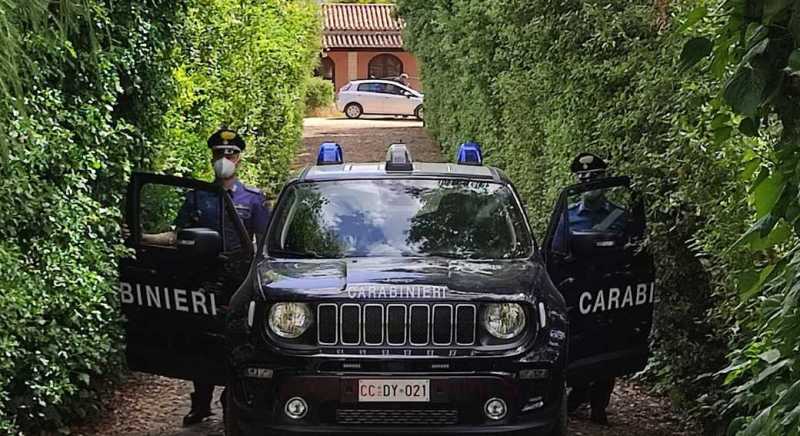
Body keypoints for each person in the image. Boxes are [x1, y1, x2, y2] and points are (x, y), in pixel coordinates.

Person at [178, 128, 270, 426]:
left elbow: (265, 243)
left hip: (238, 281)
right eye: (219, 154)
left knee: (238, 341)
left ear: (239, 159)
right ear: (212, 158)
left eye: (230, 154)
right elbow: (178, 234)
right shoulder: (197, 197)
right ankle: (201, 402)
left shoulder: (253, 199)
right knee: (201, 340)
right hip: (204, 279)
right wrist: (143, 238)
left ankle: (232, 399)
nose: (224, 159)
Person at [555, 152, 621, 425]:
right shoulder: (567, 217)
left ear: (604, 181)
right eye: (584, 178)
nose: (589, 183)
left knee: (608, 347)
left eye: (595, 178)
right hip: (577, 293)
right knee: (578, 345)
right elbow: (556, 255)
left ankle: (599, 405)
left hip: (610, 294)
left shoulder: (619, 216)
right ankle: (577, 394)